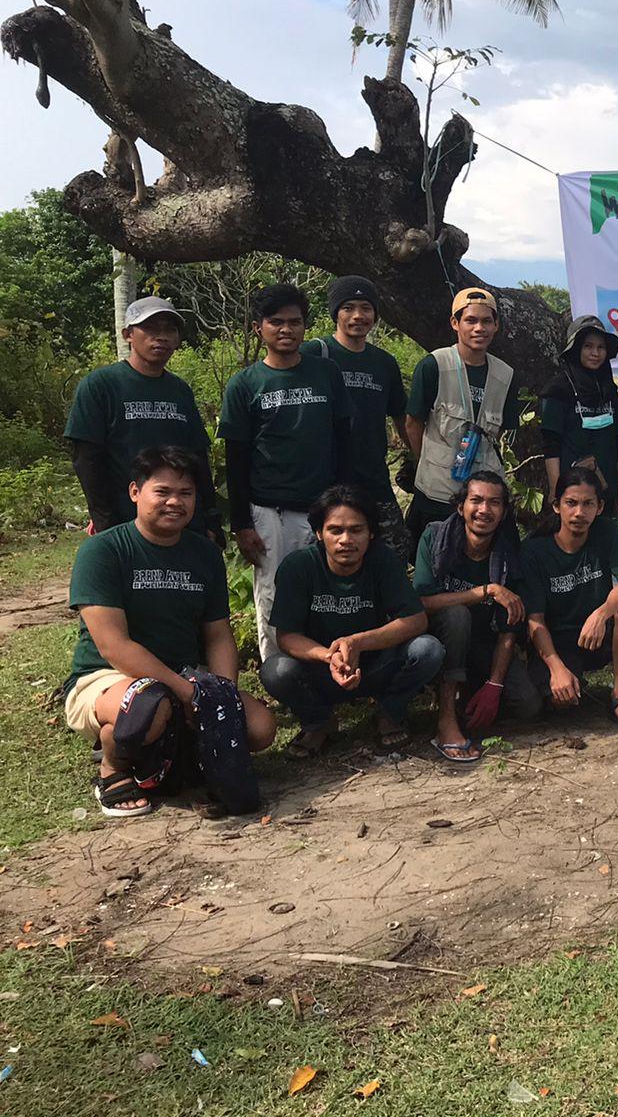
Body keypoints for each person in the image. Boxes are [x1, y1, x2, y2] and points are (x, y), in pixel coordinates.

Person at [63, 447, 276, 816]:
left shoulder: (204, 555)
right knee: (148, 709)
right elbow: (114, 646)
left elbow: (218, 634)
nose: (174, 502)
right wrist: (187, 693)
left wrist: (218, 695)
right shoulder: (103, 551)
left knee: (260, 729)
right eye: (162, 492)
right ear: (135, 492)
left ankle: (169, 751)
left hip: (185, 676)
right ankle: (113, 763)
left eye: (186, 493)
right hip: (107, 678)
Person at [219, 283, 353, 660]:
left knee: (326, 590)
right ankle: (278, 671)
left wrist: (343, 505)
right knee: (273, 594)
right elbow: (237, 457)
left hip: (322, 508)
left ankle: (326, 665)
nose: (286, 330)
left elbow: (343, 442)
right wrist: (241, 523)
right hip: (268, 509)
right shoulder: (245, 384)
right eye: (276, 322)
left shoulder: (326, 373)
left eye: (294, 322)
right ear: (258, 327)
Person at [261, 485, 444, 757]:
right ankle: (319, 723)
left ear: (371, 533)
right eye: (335, 530)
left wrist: (357, 643)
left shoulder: (383, 561)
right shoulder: (297, 567)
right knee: (275, 670)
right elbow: (287, 636)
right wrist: (329, 657)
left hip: (376, 665)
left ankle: (388, 713)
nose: (346, 539)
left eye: (356, 530)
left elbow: (416, 620)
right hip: (322, 670)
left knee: (428, 649)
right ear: (319, 533)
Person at [66, 295, 220, 537]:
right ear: (128, 334)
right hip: (125, 521)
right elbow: (87, 460)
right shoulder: (100, 385)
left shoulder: (179, 390)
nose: (161, 336)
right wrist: (106, 524)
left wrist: (210, 518)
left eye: (170, 329)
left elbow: (197, 457)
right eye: (149, 328)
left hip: (180, 520)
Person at [415, 471, 540, 764]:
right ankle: (446, 719)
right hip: (437, 643)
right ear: (461, 506)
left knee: (528, 706)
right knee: (457, 615)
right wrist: (486, 590)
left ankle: (472, 696)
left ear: (504, 511)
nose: (484, 510)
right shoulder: (435, 538)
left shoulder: (509, 554)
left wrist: (495, 685)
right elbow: (421, 603)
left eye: (494, 503)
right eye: (476, 500)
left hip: (484, 643)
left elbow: (509, 626)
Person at [519, 467, 618, 732]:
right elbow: (535, 621)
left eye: (588, 504)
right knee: (560, 704)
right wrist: (556, 668)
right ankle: (571, 680)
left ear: (600, 507)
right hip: (559, 642)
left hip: (597, 636)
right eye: (571, 503)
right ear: (557, 506)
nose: (579, 513)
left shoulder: (605, 532)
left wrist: (601, 613)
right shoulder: (534, 551)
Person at [303, 276, 411, 557]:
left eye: (366, 307)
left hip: (374, 477)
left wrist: (419, 460)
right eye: (348, 307)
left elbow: (402, 417)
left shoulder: (384, 362)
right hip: (328, 481)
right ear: (335, 312)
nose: (358, 316)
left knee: (394, 555)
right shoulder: (315, 354)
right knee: (331, 557)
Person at [405, 286, 521, 544]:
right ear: (455, 323)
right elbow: (413, 423)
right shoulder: (434, 365)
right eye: (470, 320)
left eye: (486, 321)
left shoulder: (505, 375)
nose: (479, 328)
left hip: (484, 492)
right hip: (437, 490)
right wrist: (426, 460)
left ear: (496, 326)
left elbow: (501, 429)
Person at [540, 314, 618, 515]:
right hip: (573, 493)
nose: (595, 353)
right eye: (588, 346)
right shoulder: (557, 389)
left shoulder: (609, 389)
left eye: (601, 347)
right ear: (575, 349)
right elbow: (550, 444)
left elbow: (616, 440)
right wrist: (556, 488)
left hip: (606, 490)